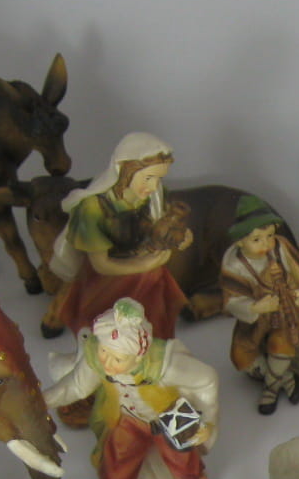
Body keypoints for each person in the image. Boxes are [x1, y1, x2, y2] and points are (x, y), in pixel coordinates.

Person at [43, 300, 219, 479]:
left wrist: (206, 421)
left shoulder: (165, 364)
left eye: (118, 359)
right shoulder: (96, 359)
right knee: (115, 468)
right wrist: (43, 400)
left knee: (183, 463)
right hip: (128, 418)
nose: (107, 362)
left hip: (165, 416)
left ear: (138, 356)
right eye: (104, 352)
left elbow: (206, 379)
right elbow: (76, 386)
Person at [50, 132, 193, 340]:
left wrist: (181, 236)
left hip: (150, 279)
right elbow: (101, 265)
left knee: (151, 326)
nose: (154, 186)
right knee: (111, 332)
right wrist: (144, 265)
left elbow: (162, 223)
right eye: (148, 178)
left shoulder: (152, 197)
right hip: (109, 283)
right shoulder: (93, 208)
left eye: (159, 178)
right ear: (126, 171)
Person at [219, 198, 299, 415]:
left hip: (287, 315)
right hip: (255, 322)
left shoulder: (280, 247)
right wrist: (255, 308)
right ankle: (286, 378)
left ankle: (270, 389)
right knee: (242, 358)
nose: (266, 244)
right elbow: (231, 301)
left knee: (280, 343)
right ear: (240, 241)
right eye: (256, 239)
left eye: (269, 235)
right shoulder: (233, 264)